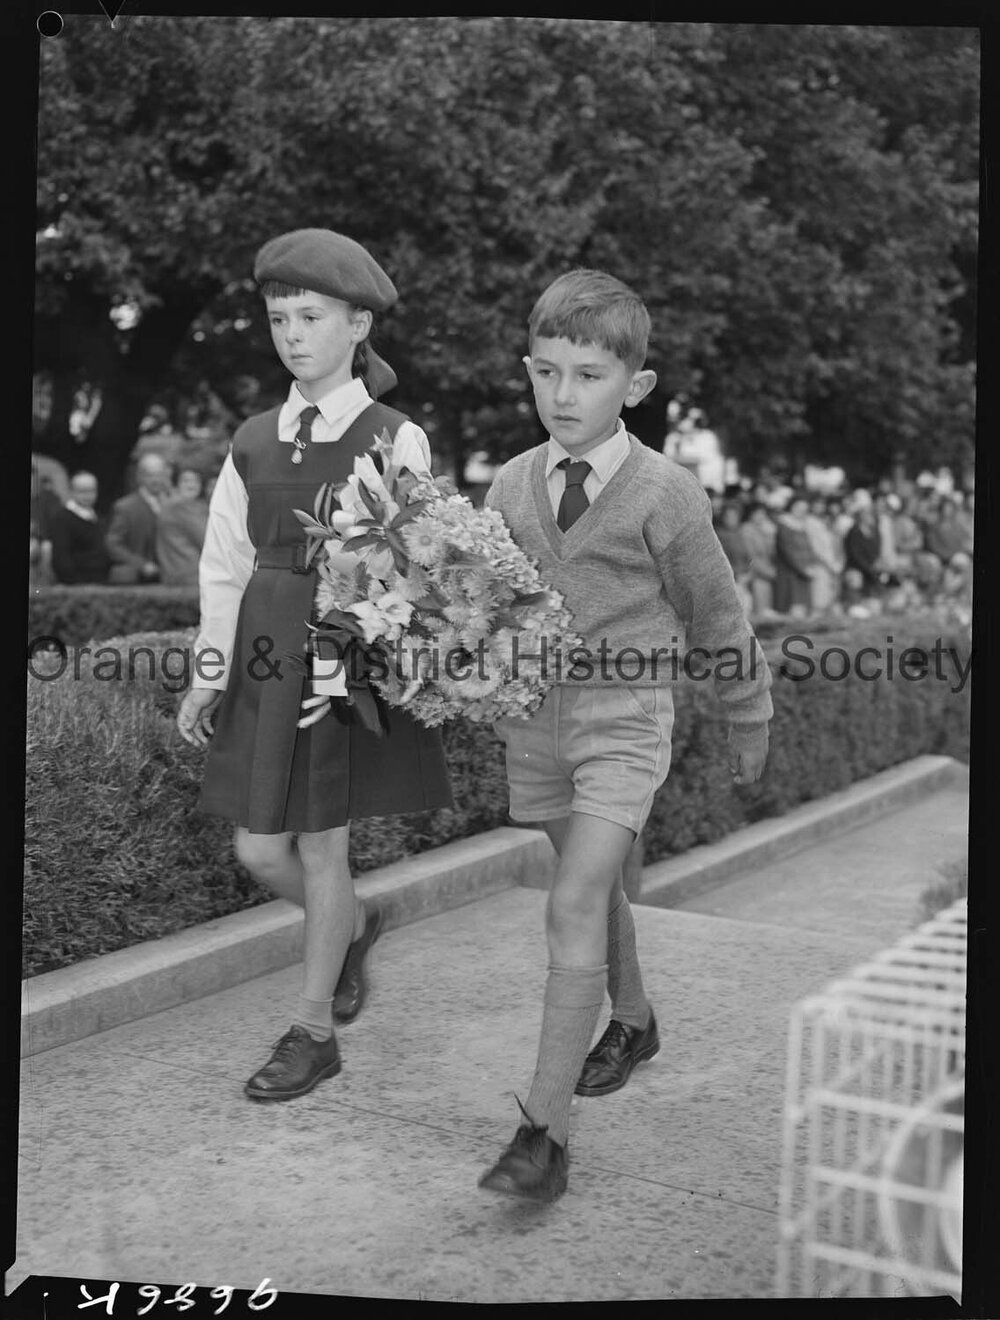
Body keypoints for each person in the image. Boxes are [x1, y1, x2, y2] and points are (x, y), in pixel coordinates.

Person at [478, 269, 773, 1200]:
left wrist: (747, 714)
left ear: (633, 387)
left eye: (589, 376)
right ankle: (634, 1018)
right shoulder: (509, 484)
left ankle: (542, 1135)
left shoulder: (666, 492)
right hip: (535, 723)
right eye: (547, 372)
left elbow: (716, 613)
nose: (563, 395)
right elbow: (487, 605)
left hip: (625, 720)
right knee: (591, 891)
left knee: (569, 904)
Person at [176, 228, 452, 1103]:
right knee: (259, 851)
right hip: (265, 652)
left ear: (357, 324)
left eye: (311, 316)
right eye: (278, 317)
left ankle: (312, 1030)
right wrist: (211, 672)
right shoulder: (253, 439)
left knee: (321, 845)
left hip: (339, 663)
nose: (293, 334)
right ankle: (354, 929)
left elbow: (408, 571)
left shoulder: (394, 435)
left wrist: (342, 666)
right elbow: (224, 565)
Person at [106, 453, 171, 583]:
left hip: (169, 577)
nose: (156, 480)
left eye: (159, 474)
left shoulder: (172, 504)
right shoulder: (125, 507)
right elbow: (113, 544)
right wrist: (141, 564)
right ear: (140, 477)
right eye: (150, 475)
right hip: (139, 580)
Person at [48, 470, 111, 585]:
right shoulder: (62, 518)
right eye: (82, 491)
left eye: (92, 490)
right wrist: (77, 584)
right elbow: (61, 558)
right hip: (77, 585)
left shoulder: (99, 518)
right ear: (71, 491)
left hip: (102, 582)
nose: (88, 495)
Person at [156, 466, 210, 586]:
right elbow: (206, 540)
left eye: (196, 481)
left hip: (176, 575)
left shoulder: (174, 505)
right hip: (190, 575)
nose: (191, 485)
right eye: (186, 480)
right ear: (176, 484)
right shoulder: (178, 507)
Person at [773, 495, 818, 617]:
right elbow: (787, 552)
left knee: (805, 613)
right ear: (791, 506)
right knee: (793, 612)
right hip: (791, 574)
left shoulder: (802, 526)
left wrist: (812, 566)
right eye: (799, 507)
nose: (801, 511)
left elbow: (809, 549)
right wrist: (803, 570)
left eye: (804, 509)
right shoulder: (784, 525)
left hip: (805, 574)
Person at [741, 502, 778, 617]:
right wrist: (767, 571)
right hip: (755, 573)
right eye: (757, 514)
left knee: (767, 611)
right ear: (751, 515)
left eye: (763, 514)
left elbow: (771, 552)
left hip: (767, 571)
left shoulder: (766, 530)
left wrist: (771, 535)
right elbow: (751, 555)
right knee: (759, 612)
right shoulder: (746, 530)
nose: (761, 516)